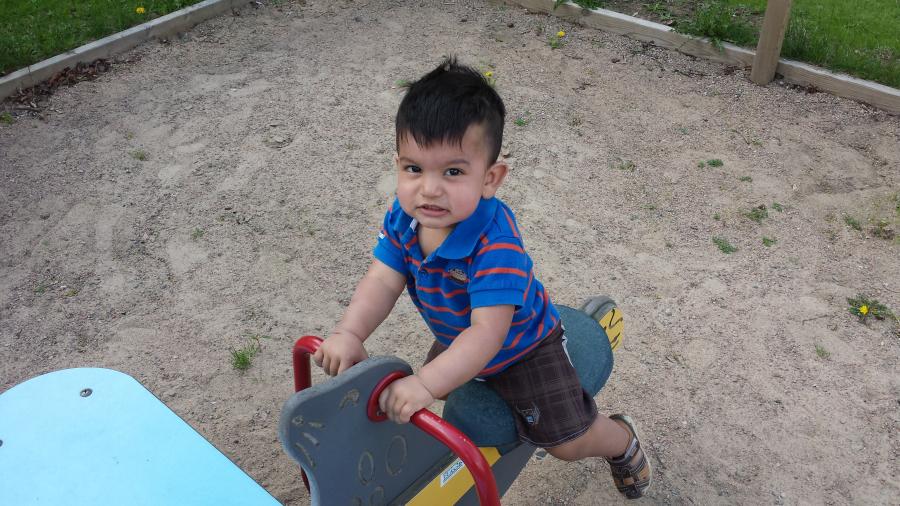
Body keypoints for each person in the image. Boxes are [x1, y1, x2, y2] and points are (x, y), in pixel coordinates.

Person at [312, 57, 651, 499]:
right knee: (445, 396)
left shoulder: (495, 244)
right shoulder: (404, 217)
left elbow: (488, 334)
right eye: (414, 169)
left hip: (522, 349)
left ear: (490, 178)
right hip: (460, 336)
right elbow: (382, 279)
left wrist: (426, 382)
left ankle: (620, 440)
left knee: (565, 442)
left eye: (452, 172)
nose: (429, 188)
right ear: (397, 165)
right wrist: (350, 332)